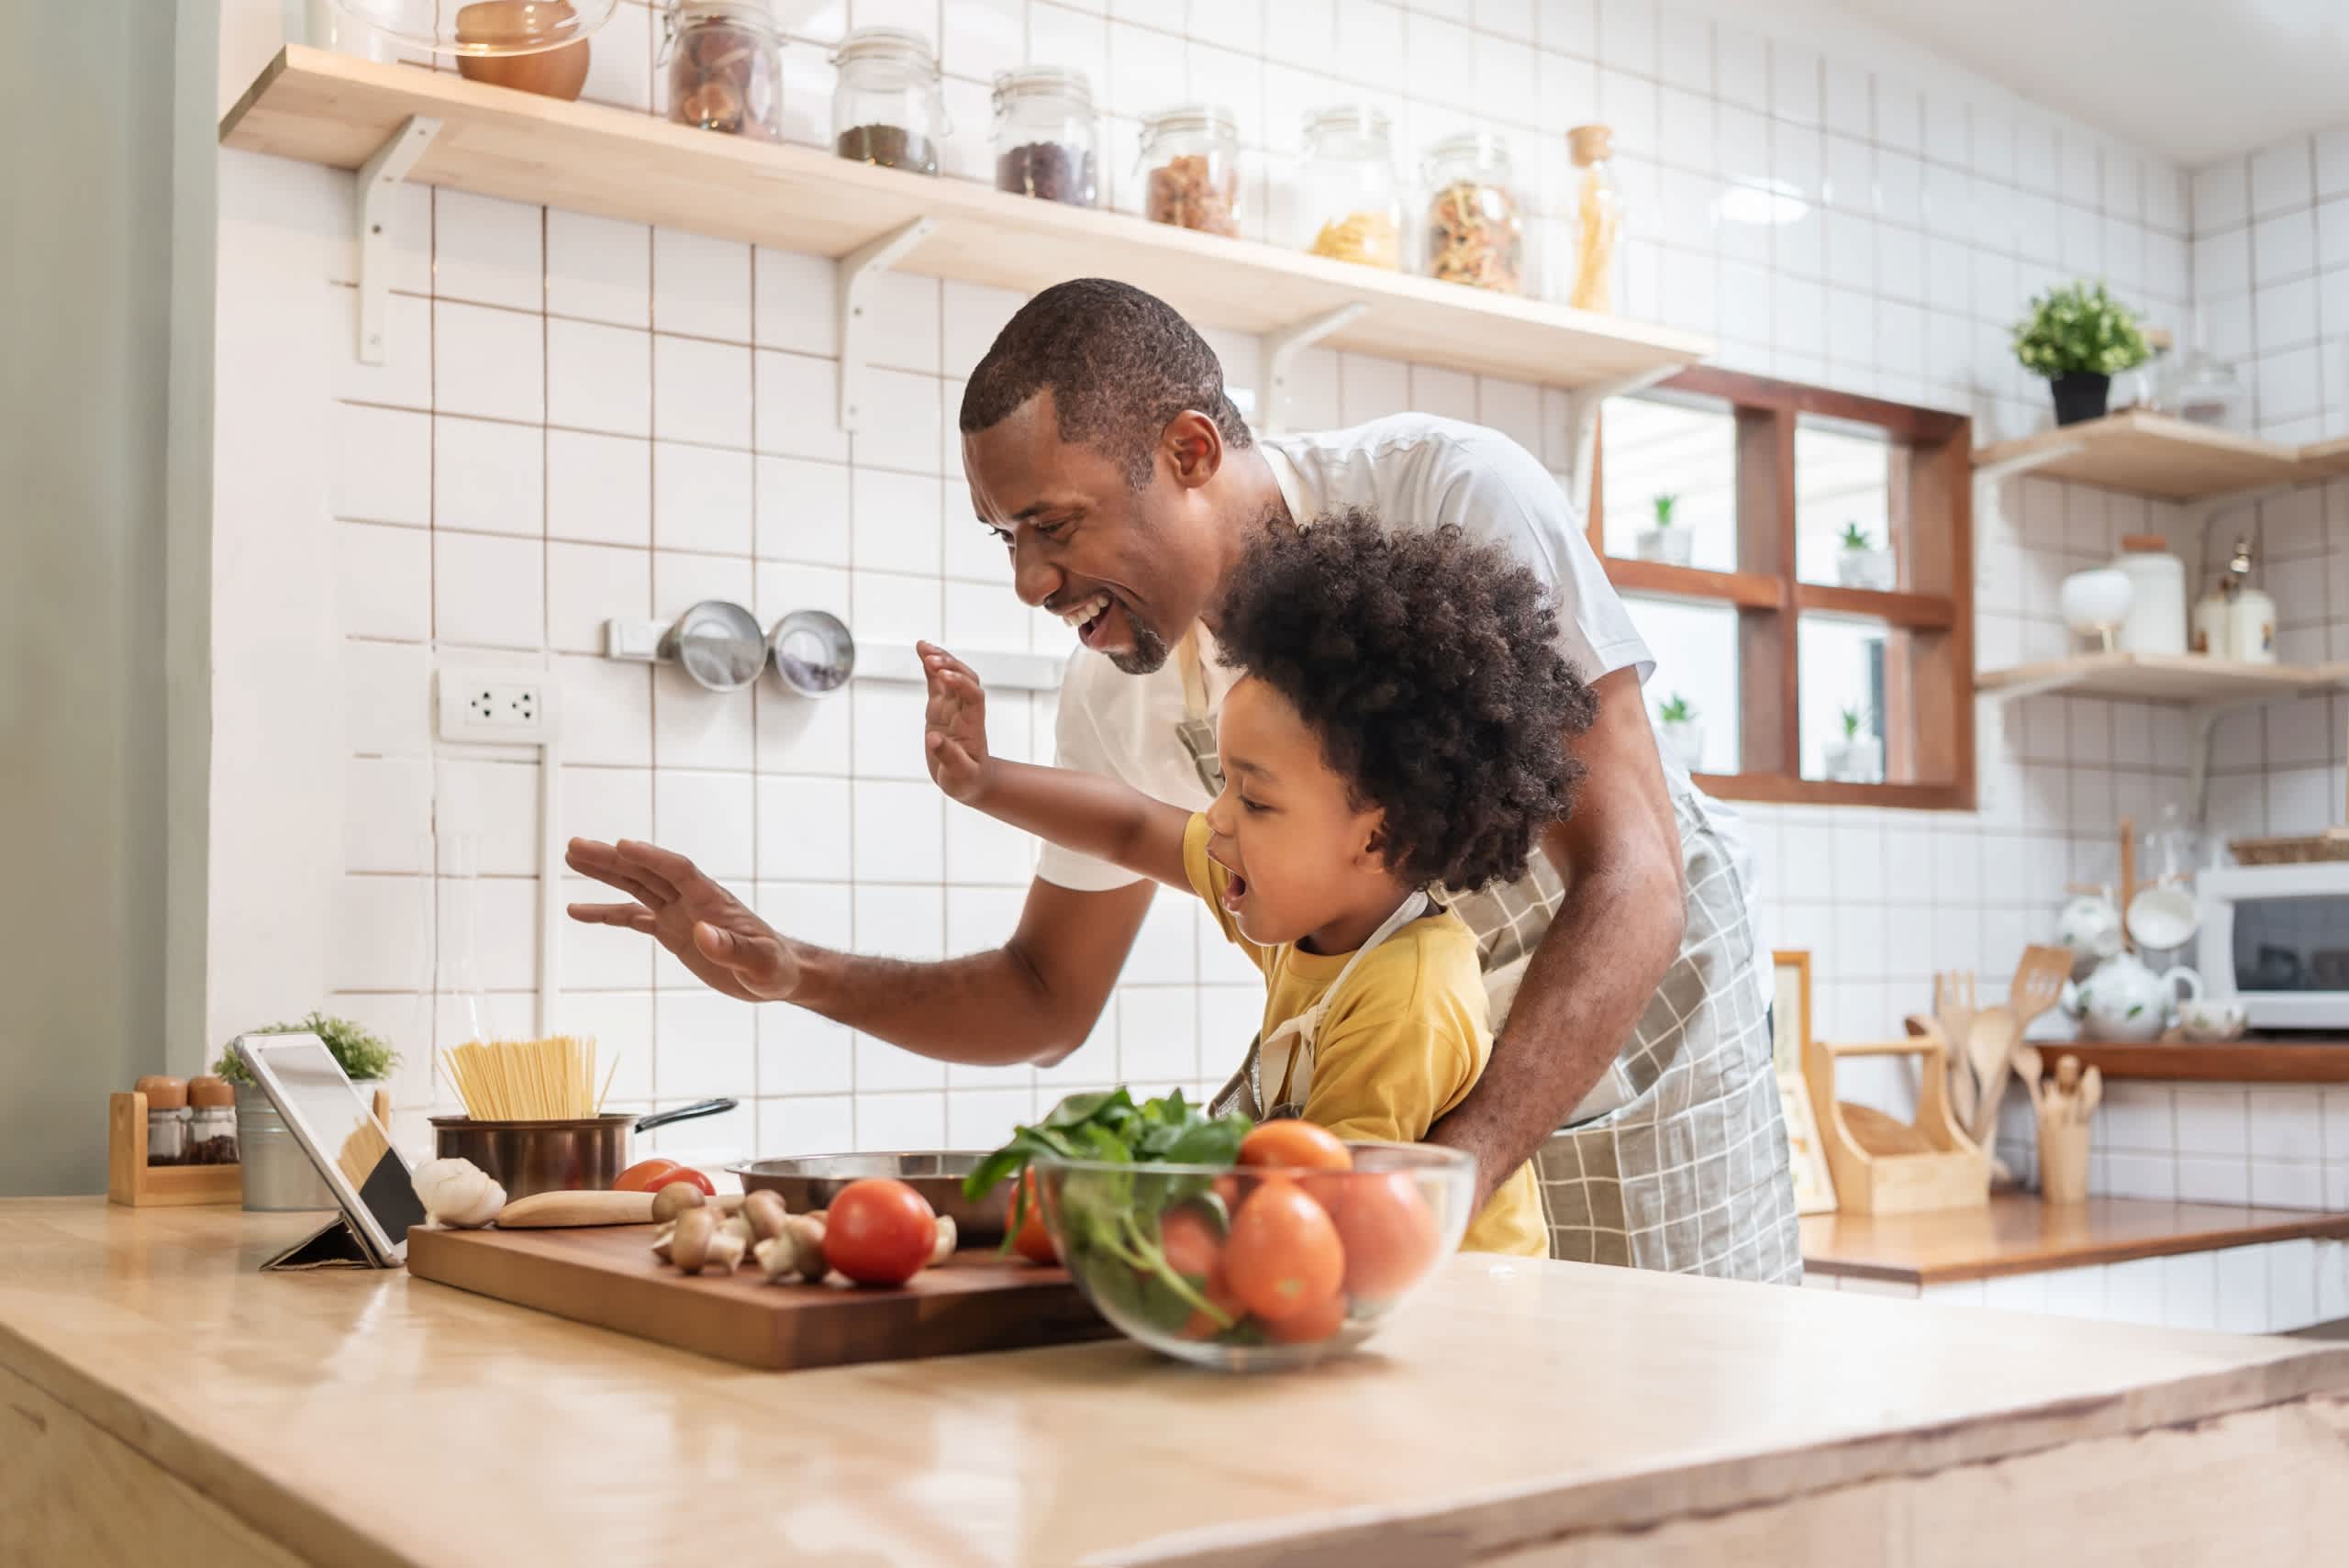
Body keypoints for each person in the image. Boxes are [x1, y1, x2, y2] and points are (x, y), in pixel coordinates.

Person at [569, 278, 1800, 1281]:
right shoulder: (1117, 686)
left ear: (1191, 449)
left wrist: (1461, 1170)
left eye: (1053, 524)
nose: (1030, 585)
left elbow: (1634, 874)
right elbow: (1047, 991)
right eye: (1007, 539)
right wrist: (791, 970)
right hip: (1404, 1125)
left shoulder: (1449, 496)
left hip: (1639, 1058)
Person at [919, 511, 1595, 1255]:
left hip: (1463, 1325)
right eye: (1227, 782)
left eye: (1255, 798)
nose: (1218, 815)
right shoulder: (1316, 907)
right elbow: (1130, 829)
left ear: (1375, 838)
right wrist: (985, 781)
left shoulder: (1407, 1000)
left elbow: (1327, 1225)